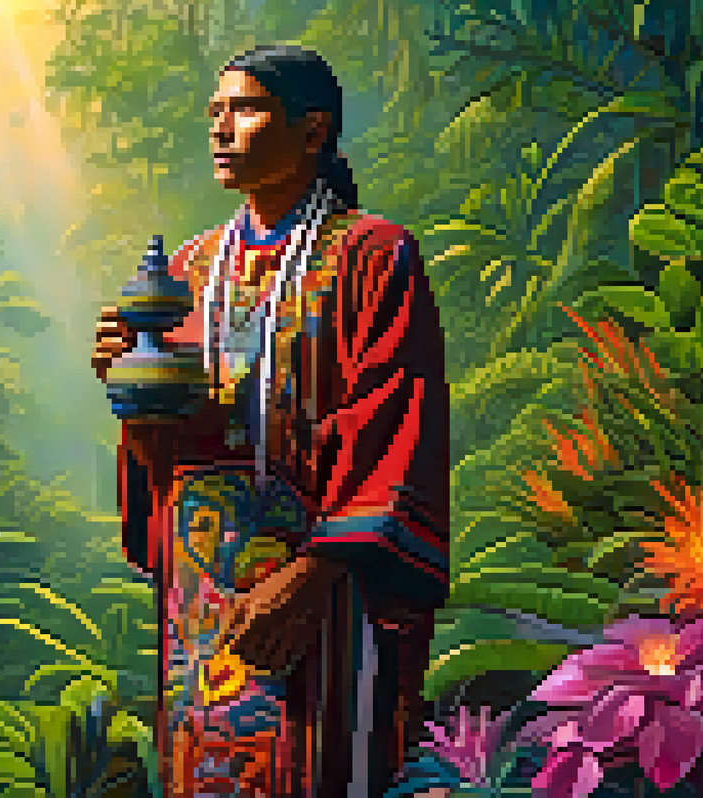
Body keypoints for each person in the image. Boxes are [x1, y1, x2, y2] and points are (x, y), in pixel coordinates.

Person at [91, 45, 450, 798]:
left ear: (313, 131)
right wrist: (132, 378)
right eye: (214, 114)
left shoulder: (371, 255)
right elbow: (175, 446)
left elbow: (393, 423)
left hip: (325, 590)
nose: (222, 130)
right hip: (206, 594)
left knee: (325, 764)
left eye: (246, 109)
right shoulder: (189, 270)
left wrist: (313, 575)